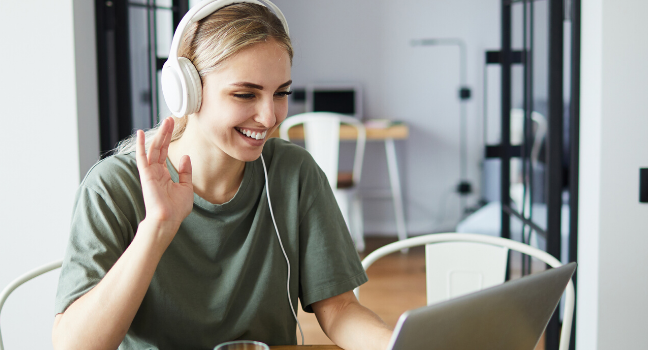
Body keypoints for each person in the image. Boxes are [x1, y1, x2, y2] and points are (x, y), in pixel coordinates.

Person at [51, 1, 393, 349]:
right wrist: (156, 227)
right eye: (245, 94)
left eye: (281, 93)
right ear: (187, 91)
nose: (269, 116)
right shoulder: (114, 187)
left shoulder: (294, 174)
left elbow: (340, 308)